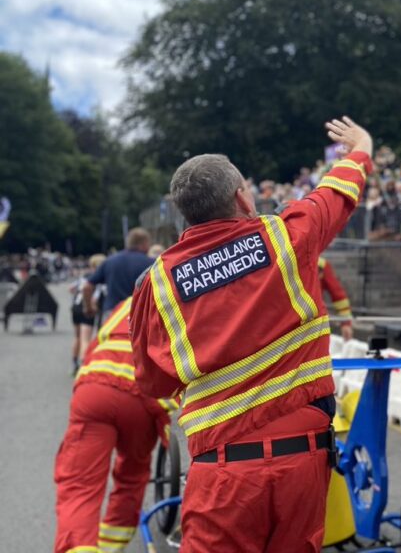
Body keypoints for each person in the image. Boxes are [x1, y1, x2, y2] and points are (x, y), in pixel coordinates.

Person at [130, 116, 373, 552]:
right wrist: (362, 148)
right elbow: (336, 193)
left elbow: (153, 382)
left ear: (185, 212)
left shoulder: (158, 283)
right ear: (242, 195)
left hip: (222, 472)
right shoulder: (286, 237)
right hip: (303, 458)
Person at [55, 298, 177, 553]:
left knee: (80, 483)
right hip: (142, 400)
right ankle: (111, 547)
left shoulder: (129, 301)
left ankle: (78, 548)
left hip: (95, 389)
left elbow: (97, 343)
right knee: (131, 476)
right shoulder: (181, 296)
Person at [83, 228, 153, 326]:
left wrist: (89, 308)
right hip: (139, 316)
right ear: (144, 243)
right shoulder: (152, 263)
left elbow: (87, 287)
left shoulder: (110, 261)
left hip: (112, 314)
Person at [69, 254, 104, 374]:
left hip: (75, 307)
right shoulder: (98, 279)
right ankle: (83, 366)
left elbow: (71, 288)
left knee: (77, 337)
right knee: (86, 339)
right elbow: (94, 297)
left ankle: (74, 363)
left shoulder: (83, 276)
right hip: (86, 307)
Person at [318, 256, 354, 341]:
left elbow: (338, 296)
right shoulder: (320, 264)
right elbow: (338, 295)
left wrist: (346, 323)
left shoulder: (320, 265)